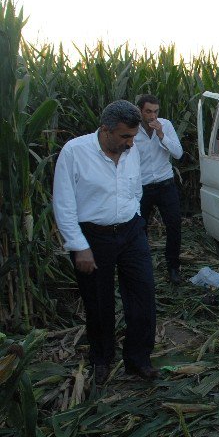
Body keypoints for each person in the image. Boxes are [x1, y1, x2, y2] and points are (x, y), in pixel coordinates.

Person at [53, 100, 159, 383]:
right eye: (125, 136)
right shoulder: (75, 152)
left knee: (143, 296)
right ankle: (102, 359)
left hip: (131, 231)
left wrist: (134, 216)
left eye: (133, 137)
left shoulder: (130, 149)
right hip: (92, 237)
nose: (130, 143)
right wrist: (79, 245)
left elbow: (135, 189)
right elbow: (64, 204)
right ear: (105, 130)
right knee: (98, 303)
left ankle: (138, 359)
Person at [134, 94, 184, 284]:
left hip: (165, 183)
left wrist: (162, 135)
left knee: (174, 225)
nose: (152, 116)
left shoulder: (166, 125)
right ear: (140, 111)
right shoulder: (133, 129)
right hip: (143, 186)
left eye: (155, 111)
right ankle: (142, 267)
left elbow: (178, 154)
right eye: (148, 111)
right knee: (140, 228)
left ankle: (173, 267)